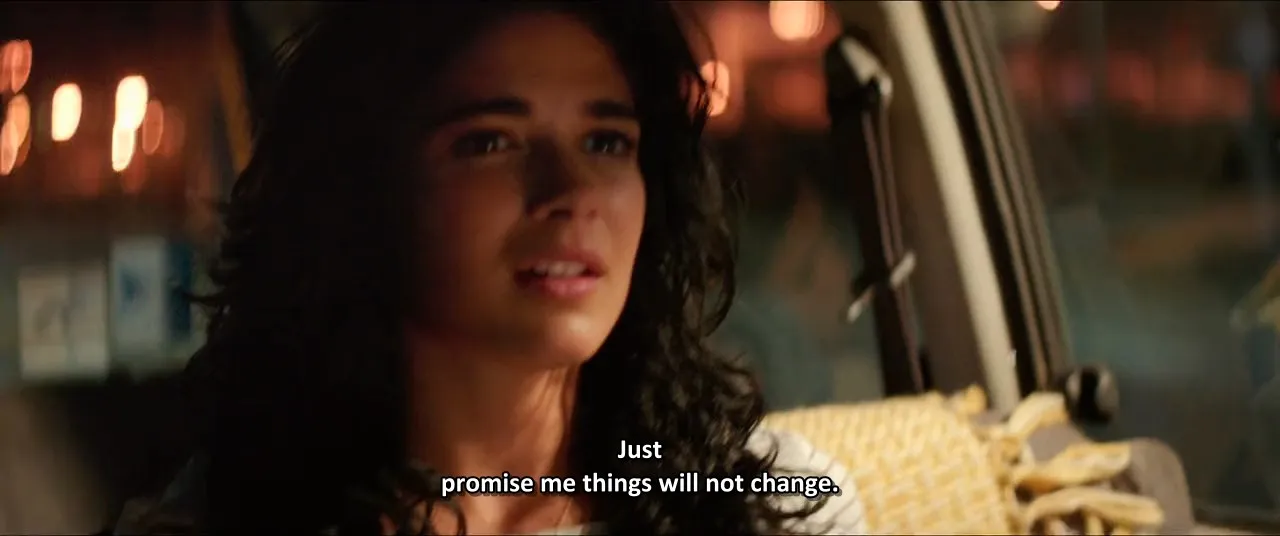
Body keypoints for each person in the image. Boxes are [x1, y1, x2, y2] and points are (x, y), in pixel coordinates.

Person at [118, 2, 866, 534]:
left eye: (606, 142)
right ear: (366, 194)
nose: (571, 194)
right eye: (490, 142)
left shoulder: (768, 504)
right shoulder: (219, 519)